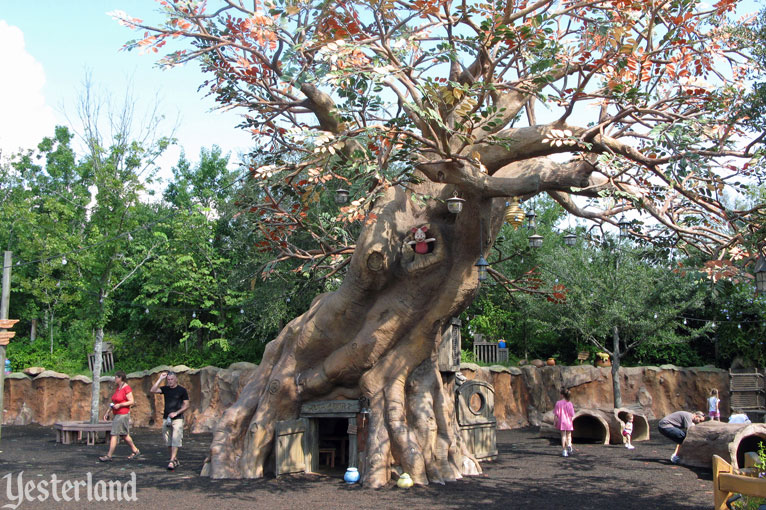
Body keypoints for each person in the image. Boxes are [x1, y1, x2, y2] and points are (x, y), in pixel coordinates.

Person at [150, 371, 190, 470]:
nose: (170, 381)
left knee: (176, 438)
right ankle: (174, 458)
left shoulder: (182, 390)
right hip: (166, 418)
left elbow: (186, 405)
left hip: (177, 418)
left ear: (176, 379)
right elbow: (153, 390)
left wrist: (177, 412)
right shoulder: (166, 389)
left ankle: (172, 460)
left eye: (172, 379)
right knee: (168, 441)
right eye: (168, 380)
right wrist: (160, 379)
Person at [99, 370, 141, 462]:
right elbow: (114, 402)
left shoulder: (126, 388)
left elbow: (131, 401)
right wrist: (107, 412)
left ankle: (109, 455)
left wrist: (121, 405)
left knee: (114, 434)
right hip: (116, 413)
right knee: (124, 435)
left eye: (116, 377)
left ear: (120, 378)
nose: (115, 379)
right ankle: (135, 450)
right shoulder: (118, 388)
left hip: (123, 414)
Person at [554, 388, 575, 457]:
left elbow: (556, 414)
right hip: (568, 422)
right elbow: (572, 414)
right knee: (569, 435)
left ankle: (564, 450)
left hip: (561, 421)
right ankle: (569, 445)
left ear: (562, 395)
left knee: (563, 436)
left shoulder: (558, 403)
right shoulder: (570, 404)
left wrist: (555, 422)